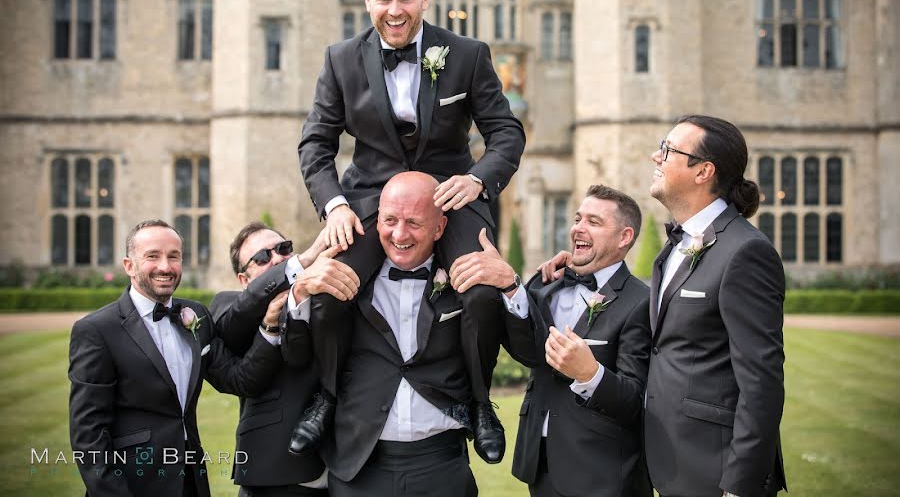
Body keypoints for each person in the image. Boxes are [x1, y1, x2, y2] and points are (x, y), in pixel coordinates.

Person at [295, 0, 526, 463]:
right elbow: (315, 143)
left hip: (450, 196)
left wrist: (480, 181)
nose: (394, 10)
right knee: (330, 289)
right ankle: (327, 396)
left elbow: (505, 133)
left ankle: (479, 403)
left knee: (483, 289)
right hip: (370, 200)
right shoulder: (340, 59)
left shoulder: (466, 54)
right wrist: (334, 206)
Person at [288, 171, 531, 496]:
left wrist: (511, 284)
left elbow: (527, 350)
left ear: (440, 227)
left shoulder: (467, 280)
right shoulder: (348, 278)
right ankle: (326, 402)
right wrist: (299, 291)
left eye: (414, 223)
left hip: (442, 467)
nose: (399, 234)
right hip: (358, 467)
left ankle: (483, 407)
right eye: (390, 220)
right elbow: (296, 353)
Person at [451, 185, 652, 497]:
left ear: (624, 237)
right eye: (577, 218)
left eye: (594, 222)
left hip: (605, 474)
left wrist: (590, 375)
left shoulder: (641, 302)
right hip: (540, 464)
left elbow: (637, 401)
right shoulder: (547, 285)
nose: (578, 229)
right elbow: (527, 351)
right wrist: (510, 288)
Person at [68, 220, 285, 497]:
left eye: (174, 256)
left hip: (190, 481)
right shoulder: (97, 330)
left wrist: (269, 326)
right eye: (152, 256)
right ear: (129, 266)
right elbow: (88, 437)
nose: (166, 266)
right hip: (133, 485)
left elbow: (239, 380)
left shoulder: (197, 316)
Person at [644, 115, 787, 497]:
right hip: (673, 465)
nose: (655, 157)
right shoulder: (674, 246)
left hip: (717, 472)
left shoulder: (745, 251)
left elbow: (762, 384)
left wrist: (739, 487)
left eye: (668, 149)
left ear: (703, 171)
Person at [209, 222, 359, 496]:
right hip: (276, 472)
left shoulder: (327, 295)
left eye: (283, 249)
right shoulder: (229, 306)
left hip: (348, 469)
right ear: (244, 280)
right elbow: (242, 315)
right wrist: (300, 266)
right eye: (263, 258)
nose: (277, 259)